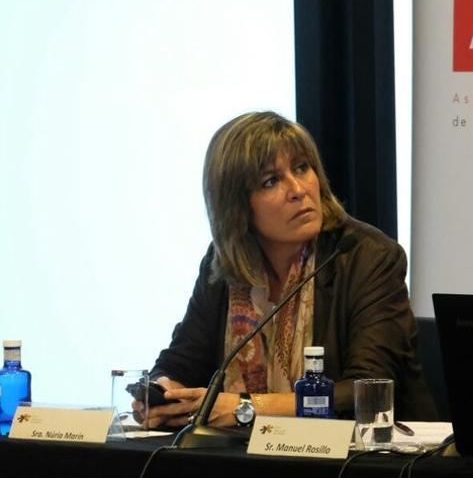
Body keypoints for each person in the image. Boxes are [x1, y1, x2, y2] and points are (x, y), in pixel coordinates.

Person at [141, 111, 435, 428]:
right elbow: (182, 358)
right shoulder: (225, 263)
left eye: (301, 168)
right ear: (237, 207)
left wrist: (247, 409)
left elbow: (366, 389)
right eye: (271, 181)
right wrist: (163, 393)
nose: (298, 189)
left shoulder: (366, 256)